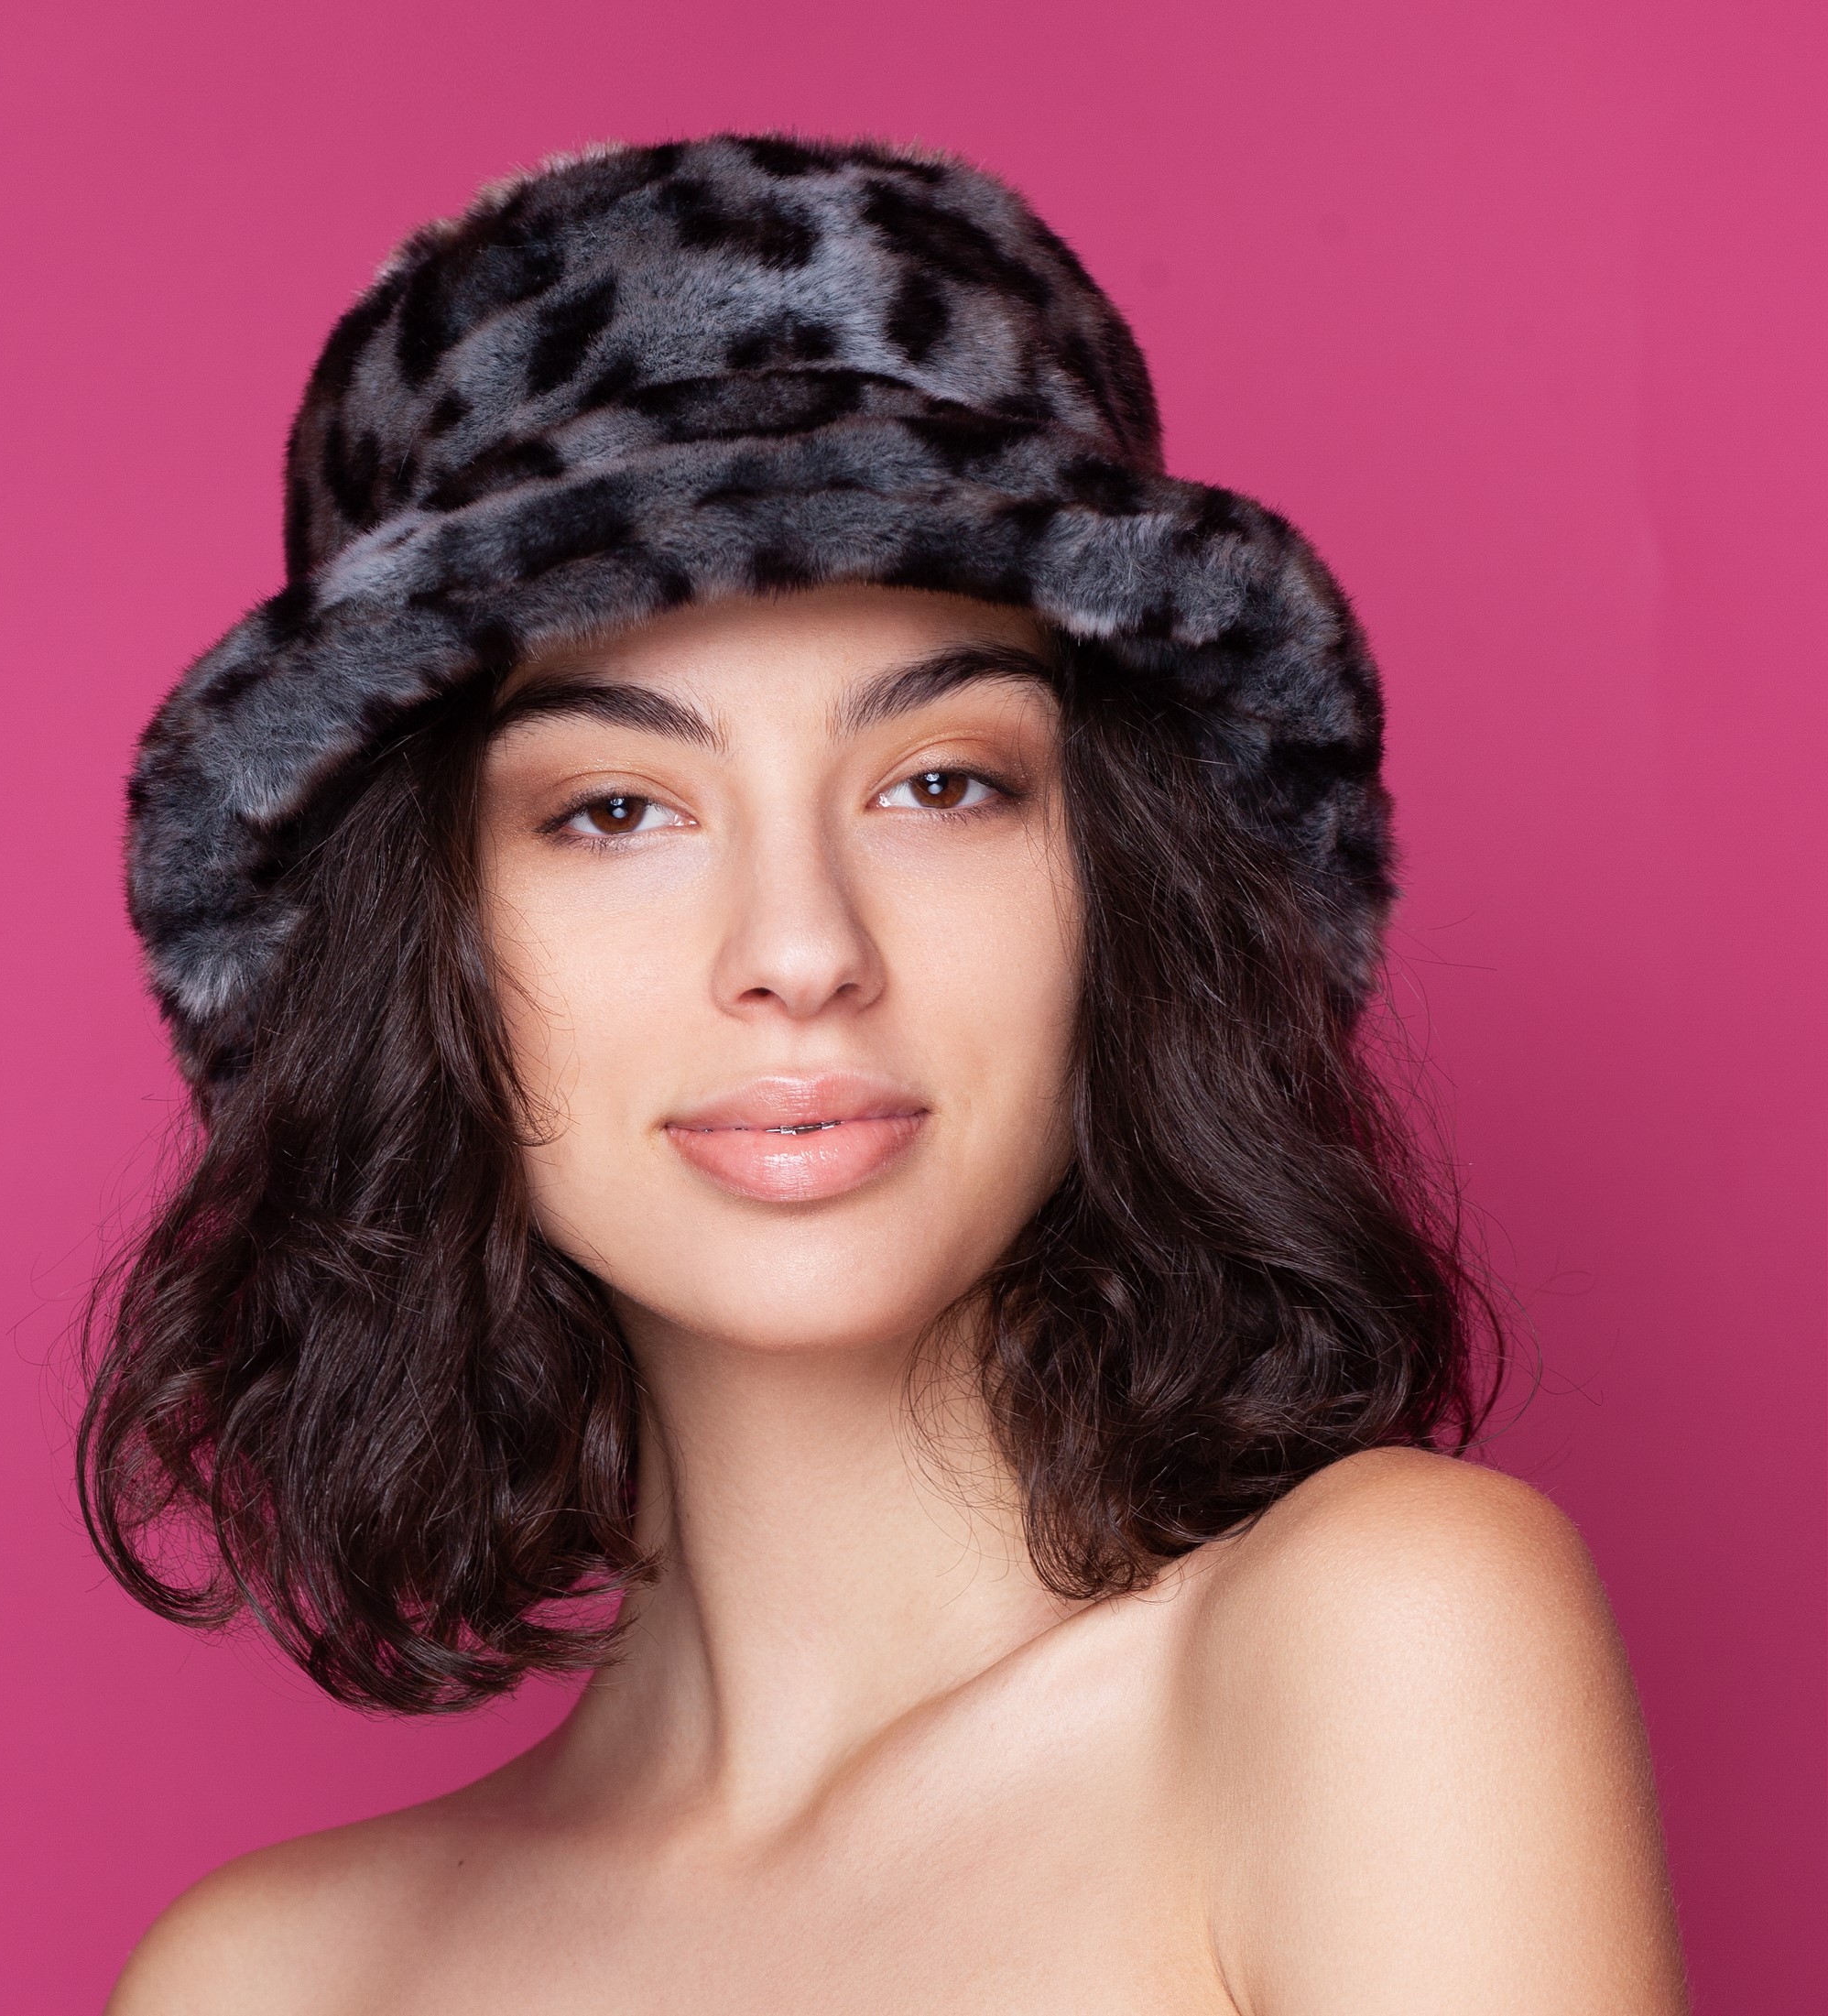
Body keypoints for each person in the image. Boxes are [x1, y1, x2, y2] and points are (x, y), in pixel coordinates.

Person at [86, 135, 1686, 2012]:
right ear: (414, 948)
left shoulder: (1376, 1644)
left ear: (1122, 890)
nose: (800, 947)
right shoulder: (270, 1980)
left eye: (942, 783)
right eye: (613, 810)